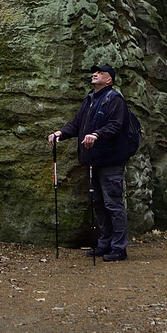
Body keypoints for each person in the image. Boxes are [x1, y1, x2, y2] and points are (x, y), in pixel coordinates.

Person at [47, 65, 131, 261]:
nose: (95, 74)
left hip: (111, 161)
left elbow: (116, 125)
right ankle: (104, 244)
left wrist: (96, 134)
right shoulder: (90, 100)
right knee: (99, 204)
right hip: (93, 160)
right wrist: (60, 133)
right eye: (95, 72)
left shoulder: (115, 99)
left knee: (113, 204)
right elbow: (76, 124)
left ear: (109, 80)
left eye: (100, 73)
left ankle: (119, 248)